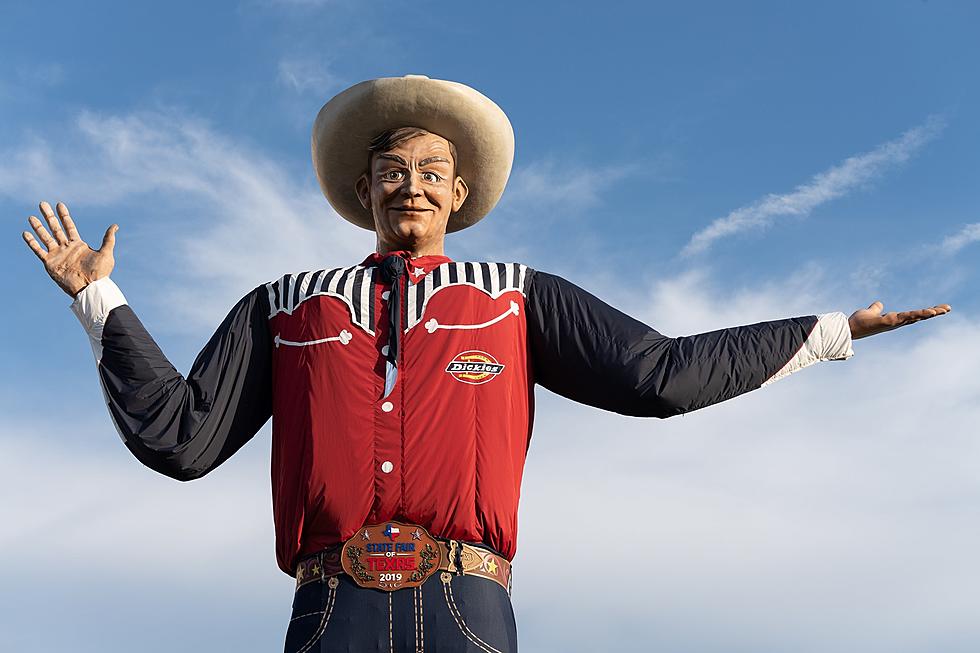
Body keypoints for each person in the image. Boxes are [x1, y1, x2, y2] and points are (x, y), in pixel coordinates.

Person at [21, 75, 951, 653]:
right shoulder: (284, 302)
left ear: (460, 194)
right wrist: (96, 297)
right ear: (363, 192)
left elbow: (657, 374)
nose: (411, 182)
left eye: (432, 169)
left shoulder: (516, 294)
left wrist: (834, 331)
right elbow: (183, 435)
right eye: (392, 169)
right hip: (327, 610)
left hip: (469, 603)